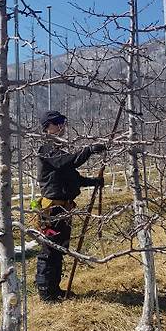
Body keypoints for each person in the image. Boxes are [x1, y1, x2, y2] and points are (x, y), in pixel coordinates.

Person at [35, 110, 106, 302]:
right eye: (56, 122)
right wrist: (88, 150)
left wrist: (94, 182)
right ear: (46, 128)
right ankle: (45, 292)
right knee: (49, 250)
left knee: (60, 248)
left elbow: (73, 176)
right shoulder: (46, 149)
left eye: (62, 122)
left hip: (65, 208)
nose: (61, 126)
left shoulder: (58, 151)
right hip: (52, 209)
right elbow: (69, 161)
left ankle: (55, 289)